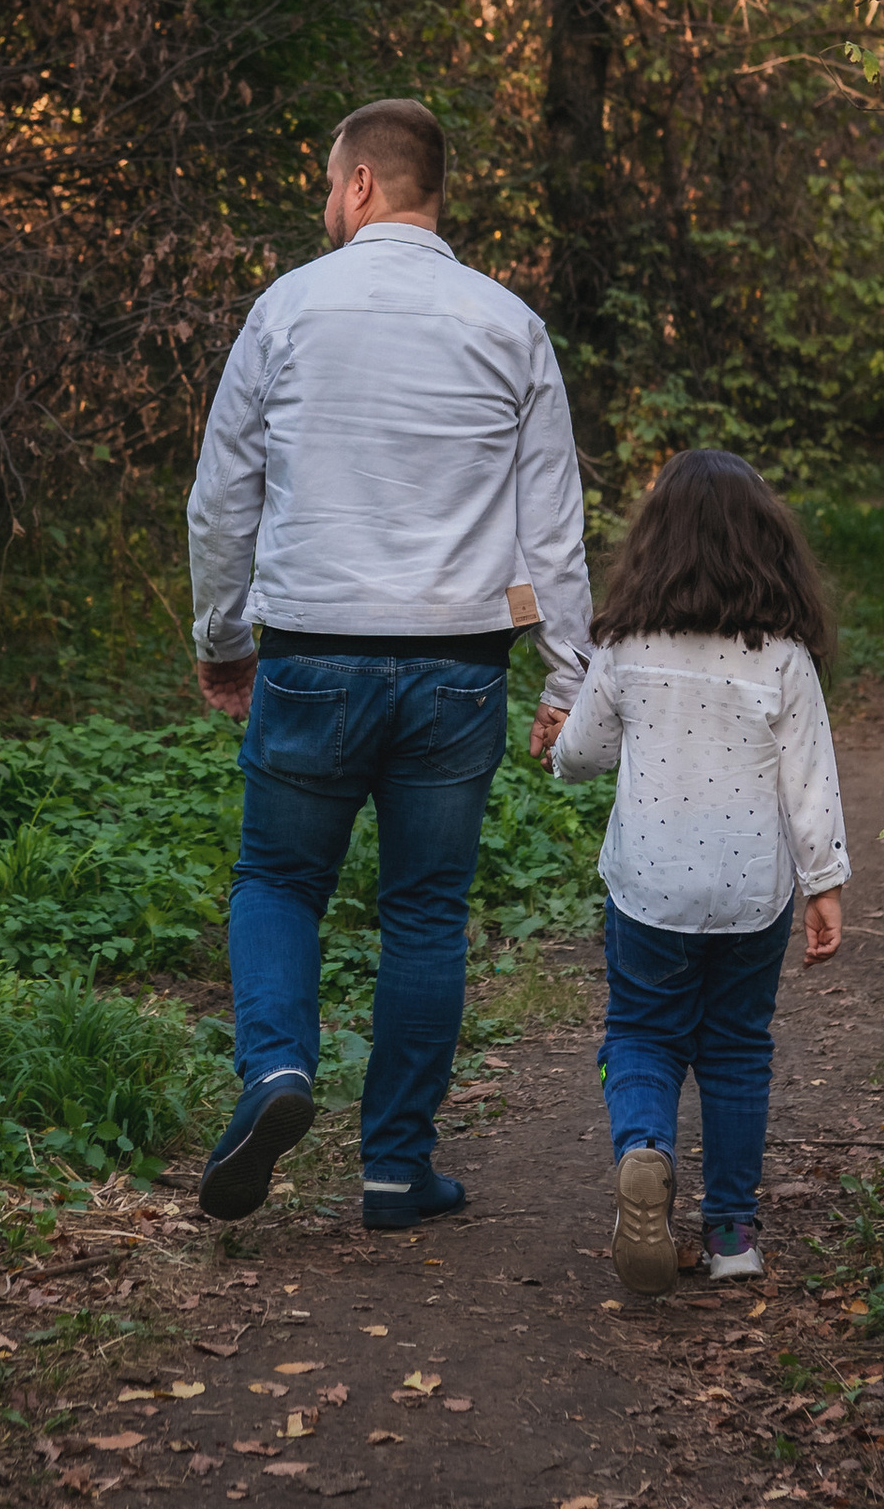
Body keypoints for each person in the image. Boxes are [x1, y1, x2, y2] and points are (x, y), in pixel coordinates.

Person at [185, 97, 592, 1231]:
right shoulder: (507, 324)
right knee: (423, 913)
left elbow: (222, 499)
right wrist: (568, 677)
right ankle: (395, 1169)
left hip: (311, 655)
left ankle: (274, 1071)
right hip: (456, 669)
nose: (327, 204)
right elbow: (550, 523)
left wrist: (223, 640)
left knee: (277, 882)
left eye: (329, 183)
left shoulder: (287, 310)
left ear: (360, 183)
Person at [537, 447, 847, 1292]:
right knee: (739, 1049)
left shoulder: (629, 645)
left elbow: (586, 754)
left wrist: (554, 752)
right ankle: (733, 1234)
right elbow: (810, 782)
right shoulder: (783, 656)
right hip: (752, 892)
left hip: (649, 887)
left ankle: (645, 1149)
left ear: (654, 546)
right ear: (767, 547)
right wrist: (826, 886)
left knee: (642, 1031)